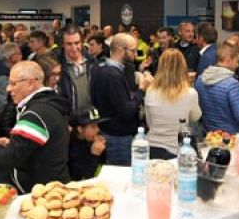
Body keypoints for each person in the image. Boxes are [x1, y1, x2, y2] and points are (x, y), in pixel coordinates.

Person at [0, 61, 71, 194]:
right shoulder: (47, 105)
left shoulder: (35, 114)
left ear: (30, 83)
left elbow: (7, 160)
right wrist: (14, 144)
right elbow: (41, 148)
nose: (8, 89)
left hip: (43, 195)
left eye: (13, 84)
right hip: (49, 187)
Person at [90, 33, 153, 166]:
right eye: (133, 50)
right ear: (120, 49)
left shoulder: (100, 67)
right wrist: (142, 90)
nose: (135, 55)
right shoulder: (112, 75)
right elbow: (126, 111)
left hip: (108, 131)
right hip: (118, 136)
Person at [145, 49, 201, 159]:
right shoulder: (191, 93)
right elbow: (195, 117)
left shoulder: (150, 91)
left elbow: (149, 123)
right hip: (175, 150)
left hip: (150, 148)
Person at [196, 41, 239, 134]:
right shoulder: (233, 85)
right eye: (237, 61)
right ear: (228, 60)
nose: (238, 65)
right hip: (230, 136)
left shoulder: (200, 80)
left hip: (208, 133)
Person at [56, 27, 97, 113]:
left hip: (92, 116)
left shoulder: (93, 63)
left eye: (77, 43)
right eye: (69, 44)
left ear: (82, 42)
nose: (74, 48)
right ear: (62, 44)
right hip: (68, 117)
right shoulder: (57, 66)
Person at [68, 106, 107, 181]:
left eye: (97, 125)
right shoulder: (71, 149)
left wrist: (102, 151)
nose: (98, 129)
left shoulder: (92, 140)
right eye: (93, 126)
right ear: (80, 129)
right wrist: (94, 155)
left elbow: (102, 167)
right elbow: (84, 179)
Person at [0, 43, 22, 108]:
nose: (21, 55)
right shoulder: (2, 77)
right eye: (18, 53)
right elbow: (3, 103)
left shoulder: (12, 70)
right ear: (10, 56)